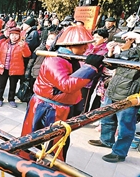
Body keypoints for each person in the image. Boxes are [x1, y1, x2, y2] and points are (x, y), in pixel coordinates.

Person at [21, 25, 104, 161]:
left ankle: (49, 165)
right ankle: (38, 167)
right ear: (71, 45)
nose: (85, 48)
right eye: (83, 45)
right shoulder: (55, 60)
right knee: (43, 141)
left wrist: (98, 67)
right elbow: (67, 85)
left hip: (61, 107)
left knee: (59, 142)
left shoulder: (72, 58)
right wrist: (90, 67)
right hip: (47, 109)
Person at [88, 26, 140, 163]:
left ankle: (119, 152)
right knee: (107, 118)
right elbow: (115, 63)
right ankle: (106, 140)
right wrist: (111, 52)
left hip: (130, 94)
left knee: (125, 126)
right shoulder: (135, 48)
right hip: (114, 88)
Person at [0, 27, 31, 108]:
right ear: (9, 35)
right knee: (1, 85)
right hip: (3, 68)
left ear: (19, 36)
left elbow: (27, 55)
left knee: (13, 86)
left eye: (16, 35)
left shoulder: (22, 44)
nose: (14, 36)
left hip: (15, 69)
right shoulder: (4, 43)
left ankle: (11, 99)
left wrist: (23, 47)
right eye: (12, 34)